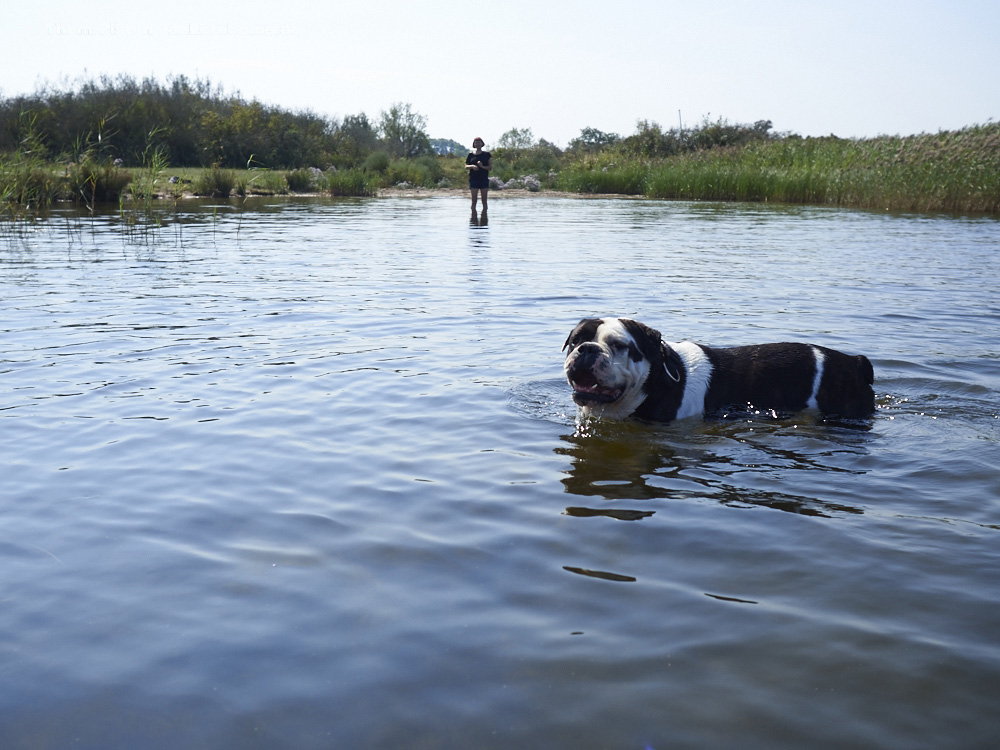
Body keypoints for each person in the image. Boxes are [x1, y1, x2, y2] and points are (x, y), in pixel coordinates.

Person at [465, 137, 491, 213]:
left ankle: (484, 219)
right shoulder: (470, 155)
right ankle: (473, 220)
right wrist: (472, 166)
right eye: (476, 142)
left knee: (484, 200)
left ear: (482, 143)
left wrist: (482, 166)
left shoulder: (487, 154)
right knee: (474, 200)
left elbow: (490, 167)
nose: (477, 144)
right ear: (474, 144)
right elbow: (466, 166)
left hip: (483, 179)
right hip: (473, 179)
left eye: (479, 142)